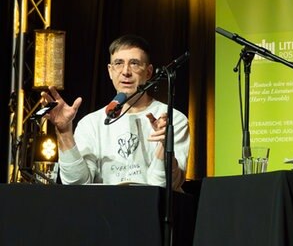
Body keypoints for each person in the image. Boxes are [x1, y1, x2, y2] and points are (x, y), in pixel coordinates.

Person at [41, 34, 190, 191]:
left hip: (151, 211)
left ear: (148, 72)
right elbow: (77, 185)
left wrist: (163, 146)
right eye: (118, 63)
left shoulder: (173, 120)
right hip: (103, 212)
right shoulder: (91, 123)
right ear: (110, 71)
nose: (125, 71)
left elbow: (162, 187)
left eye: (134, 63)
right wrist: (64, 132)